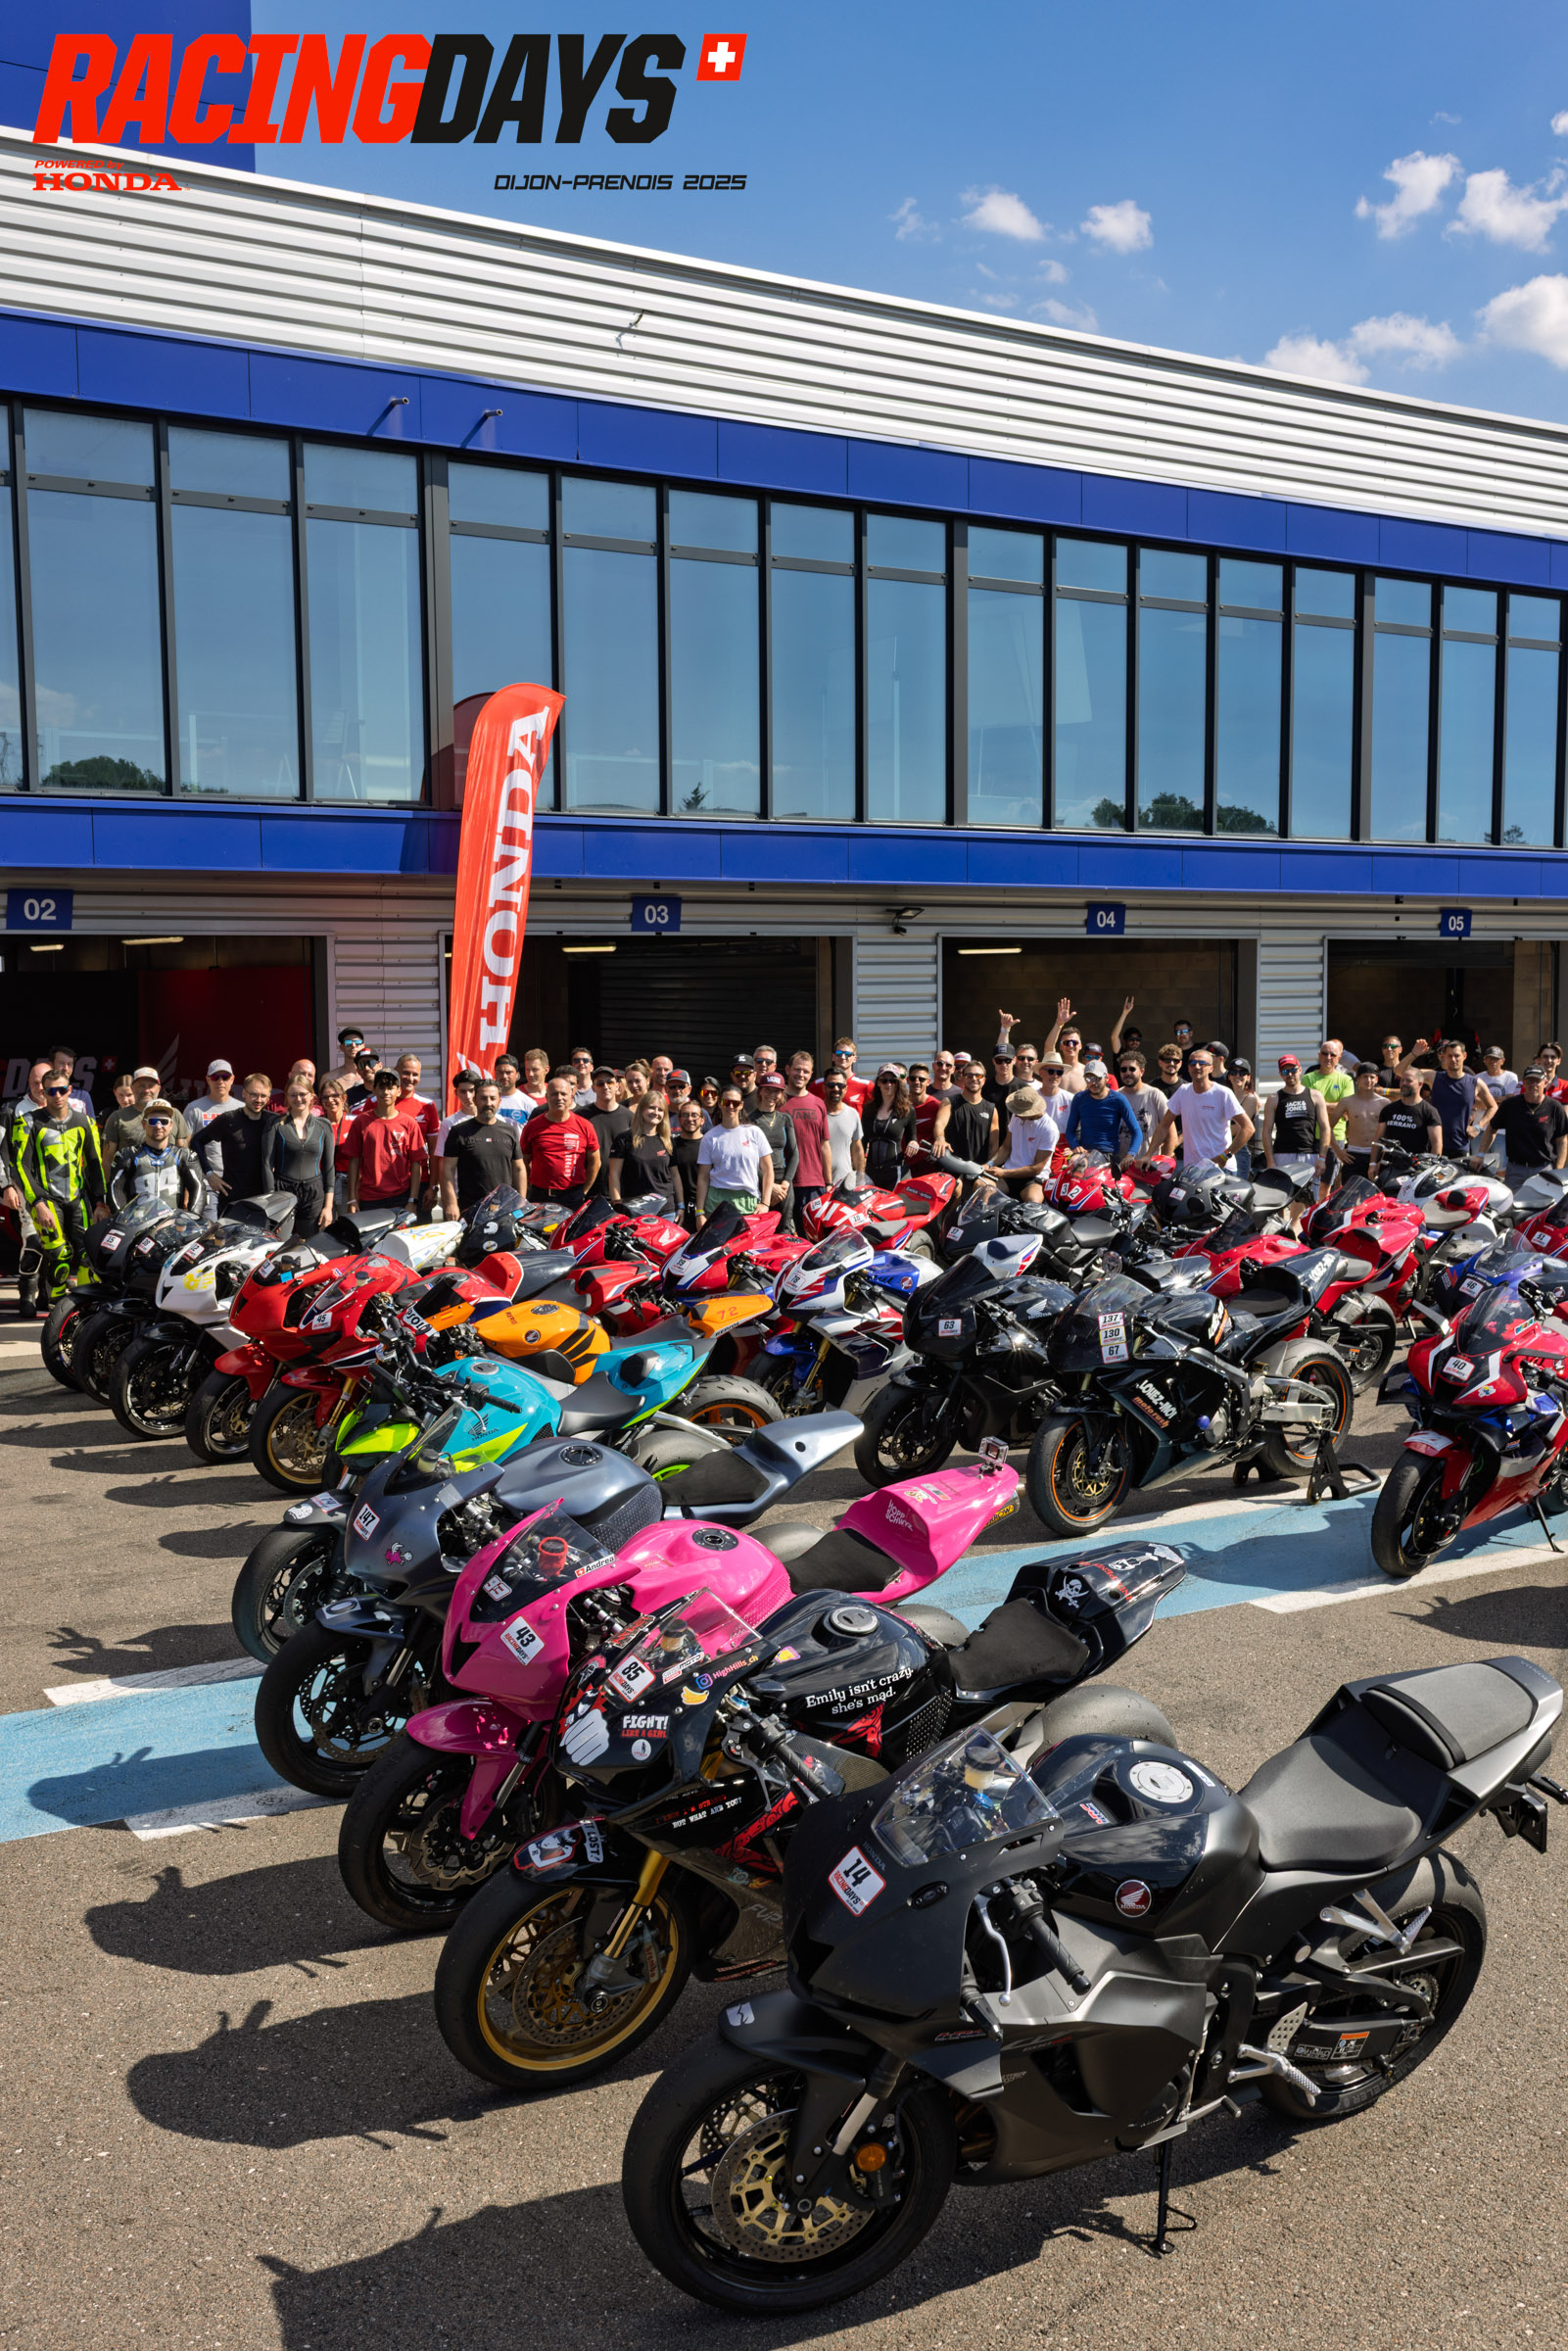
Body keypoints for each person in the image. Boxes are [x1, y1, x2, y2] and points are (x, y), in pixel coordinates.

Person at [17, 1074, 107, 1302]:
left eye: (61, 1090)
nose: (57, 1095)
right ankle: (56, 1306)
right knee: (59, 1257)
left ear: (69, 1090)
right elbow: (19, 1166)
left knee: (88, 1256)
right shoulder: (28, 1121)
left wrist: (99, 1201)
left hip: (78, 1199)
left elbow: (95, 1164)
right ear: (43, 1092)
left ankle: (85, 1307)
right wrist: (37, 1202)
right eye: (51, 1091)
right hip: (46, 1199)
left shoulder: (85, 1122)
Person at [1145, 1050, 1254, 1169]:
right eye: (1192, 1063)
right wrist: (1148, 1155)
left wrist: (1225, 1156)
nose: (1196, 1066)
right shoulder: (1183, 1091)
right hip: (1193, 1169)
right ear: (1188, 1068)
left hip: (1220, 1168)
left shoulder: (1223, 1093)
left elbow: (1248, 1128)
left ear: (1211, 1068)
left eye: (1202, 1063)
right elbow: (1164, 1125)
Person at [3, 1062, 51, 1317]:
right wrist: (6, 1185)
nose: (40, 1087)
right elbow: (0, 1150)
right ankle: (27, 1295)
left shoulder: (64, 1109)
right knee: (32, 1239)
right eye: (35, 1082)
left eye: (45, 1082)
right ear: (28, 1083)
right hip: (23, 1185)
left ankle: (47, 1293)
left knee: (55, 1241)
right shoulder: (12, 1109)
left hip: (58, 1187)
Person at [342, 1069, 426, 1214]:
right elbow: (354, 1162)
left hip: (401, 1197)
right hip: (369, 1198)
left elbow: (416, 1164)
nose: (386, 1092)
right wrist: (351, 1200)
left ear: (398, 1091)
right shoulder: (361, 1121)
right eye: (381, 1087)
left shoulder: (409, 1123)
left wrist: (412, 1200)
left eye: (390, 1087)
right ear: (374, 1090)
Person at [441, 1079, 527, 1218]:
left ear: (499, 1101)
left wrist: (521, 1202)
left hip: (505, 1208)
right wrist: (451, 1203)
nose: (488, 1103)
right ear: (475, 1100)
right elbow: (447, 1170)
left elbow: (519, 1168)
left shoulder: (510, 1130)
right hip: (470, 1209)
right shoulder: (458, 1131)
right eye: (483, 1098)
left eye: (492, 1098)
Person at [263, 1079, 335, 1232]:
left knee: (310, 1244)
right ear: (287, 1097)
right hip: (282, 1194)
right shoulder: (275, 1124)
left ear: (312, 1096)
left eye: (302, 1094)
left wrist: (328, 1207)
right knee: (280, 1243)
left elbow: (329, 1168)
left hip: (313, 1194)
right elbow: (267, 1165)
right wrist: (271, 1205)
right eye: (293, 1095)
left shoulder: (324, 1125)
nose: (298, 1099)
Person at [110, 1101, 208, 1214]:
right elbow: (115, 1188)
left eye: (164, 1121)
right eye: (152, 1121)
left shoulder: (185, 1155)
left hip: (172, 1221)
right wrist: (122, 1216)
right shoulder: (127, 1155)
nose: (158, 1126)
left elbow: (198, 1188)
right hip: (137, 1222)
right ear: (143, 1124)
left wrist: (193, 1216)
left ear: (171, 1125)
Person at [518, 1075, 600, 1209]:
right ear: (547, 1096)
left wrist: (584, 1191)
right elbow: (523, 1162)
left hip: (572, 1197)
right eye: (554, 1094)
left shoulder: (585, 1125)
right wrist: (529, 1186)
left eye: (563, 1094)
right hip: (540, 1196)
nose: (559, 1098)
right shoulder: (532, 1126)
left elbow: (595, 1162)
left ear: (571, 1096)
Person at [1261, 1055, 1334, 1200]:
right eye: (1285, 1072)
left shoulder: (1315, 1095)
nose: (1290, 1074)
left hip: (1309, 1154)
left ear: (1300, 1069)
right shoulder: (1274, 1098)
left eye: (1293, 1070)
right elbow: (1267, 1131)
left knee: (1308, 1199)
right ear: (1280, 1074)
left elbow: (1325, 1128)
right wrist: (1270, 1160)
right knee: (1279, 1198)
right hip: (1282, 1154)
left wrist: (1322, 1158)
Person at [1485, 1066, 1568, 1190]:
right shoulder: (1510, 1105)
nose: (1533, 1085)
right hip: (1515, 1170)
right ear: (1523, 1083)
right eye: (1529, 1081)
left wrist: (1558, 1169)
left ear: (1545, 1083)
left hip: (1544, 1170)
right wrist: (1480, 1154)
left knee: (1544, 1203)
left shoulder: (1555, 1107)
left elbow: (1562, 1140)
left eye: (1537, 1081)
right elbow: (1491, 1128)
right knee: (1511, 1202)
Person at [694, 1087, 774, 1217]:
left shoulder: (754, 1132)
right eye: (726, 1102)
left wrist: (765, 1203)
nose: (730, 1106)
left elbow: (768, 1169)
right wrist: (699, 1212)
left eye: (735, 1103)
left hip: (748, 1203)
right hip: (715, 1204)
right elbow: (703, 1177)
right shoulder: (709, 1137)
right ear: (720, 1104)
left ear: (741, 1105)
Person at [202, 1073, 279, 1203]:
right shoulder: (229, 1119)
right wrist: (209, 1173)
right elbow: (196, 1142)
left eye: (263, 1096)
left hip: (265, 1201)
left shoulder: (274, 1121)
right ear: (244, 1093)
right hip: (233, 1200)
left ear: (269, 1097)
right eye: (253, 1094)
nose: (258, 1100)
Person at [779, 1053, 832, 1226]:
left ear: (811, 1075)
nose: (801, 1074)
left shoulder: (818, 1103)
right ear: (788, 1070)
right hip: (783, 1183)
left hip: (814, 1182)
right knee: (783, 1234)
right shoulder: (777, 1101)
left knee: (812, 1235)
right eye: (797, 1069)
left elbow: (824, 1145)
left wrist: (828, 1182)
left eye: (806, 1071)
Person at [983, 1084, 1060, 1201]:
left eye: (1021, 1112)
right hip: (1008, 1174)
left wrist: (1004, 1173)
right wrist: (989, 1163)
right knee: (982, 1188)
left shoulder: (1049, 1129)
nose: (1017, 1114)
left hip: (1033, 1178)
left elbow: (1036, 1168)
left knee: (1033, 1202)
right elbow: (1006, 1148)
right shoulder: (1016, 1116)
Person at [1427, 1039, 1497, 1163]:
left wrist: (1478, 1126)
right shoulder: (1434, 1077)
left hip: (1460, 1146)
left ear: (1464, 1056)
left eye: (1457, 1055)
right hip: (1434, 1144)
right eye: (1450, 1056)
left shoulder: (1475, 1083)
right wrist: (1414, 1054)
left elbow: (1493, 1107)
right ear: (1444, 1057)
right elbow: (1401, 1071)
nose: (1453, 1059)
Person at [610, 1090, 680, 1213]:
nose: (656, 1112)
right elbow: (614, 1174)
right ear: (642, 1109)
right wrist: (617, 1204)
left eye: (660, 1109)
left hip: (666, 1210)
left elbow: (675, 1175)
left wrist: (681, 1205)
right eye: (651, 1108)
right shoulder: (624, 1139)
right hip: (634, 1210)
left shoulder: (667, 1141)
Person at [1370, 1065, 1444, 1180]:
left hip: (1414, 1170)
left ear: (1420, 1084)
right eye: (1402, 1080)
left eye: (1408, 1081)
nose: (1403, 1083)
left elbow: (1437, 1143)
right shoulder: (1389, 1109)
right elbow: (1378, 1139)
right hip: (1388, 1168)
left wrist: (1430, 1171)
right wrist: (1373, 1163)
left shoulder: (1429, 1111)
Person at [1062, 1060, 1142, 1165]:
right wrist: (1075, 1146)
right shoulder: (1079, 1098)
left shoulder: (1118, 1099)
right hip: (1085, 1154)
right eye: (1088, 1078)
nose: (1093, 1083)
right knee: (1074, 1161)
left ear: (1106, 1078)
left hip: (1110, 1156)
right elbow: (1070, 1130)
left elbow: (1136, 1131)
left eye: (1097, 1078)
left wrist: (1131, 1154)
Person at [103, 1066, 192, 1154]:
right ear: (132, 1088)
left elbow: (183, 1154)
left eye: (151, 1086)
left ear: (158, 1089)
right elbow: (108, 1158)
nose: (146, 1090)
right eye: (141, 1086)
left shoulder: (174, 1114)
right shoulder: (117, 1117)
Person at [937, 1058, 999, 1184]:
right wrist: (940, 1138)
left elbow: (994, 1145)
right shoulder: (949, 1102)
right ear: (963, 1078)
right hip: (953, 1167)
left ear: (984, 1080)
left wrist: (987, 1166)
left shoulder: (991, 1109)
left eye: (978, 1075)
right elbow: (939, 1124)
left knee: (985, 1187)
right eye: (969, 1075)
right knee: (955, 1188)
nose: (974, 1079)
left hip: (978, 1170)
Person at [751, 1073, 799, 1221]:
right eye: (768, 1090)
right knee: (760, 1226)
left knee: (785, 1227)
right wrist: (770, 1186)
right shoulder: (749, 1120)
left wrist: (785, 1184)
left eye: (776, 1091)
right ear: (760, 1091)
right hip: (758, 1179)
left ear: (782, 1094)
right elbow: (747, 1158)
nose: (772, 1095)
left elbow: (794, 1154)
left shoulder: (785, 1119)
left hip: (783, 1182)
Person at [1332, 1064, 1388, 1186]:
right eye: (1365, 1077)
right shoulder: (1347, 1101)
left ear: (1376, 1079)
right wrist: (1338, 1151)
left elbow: (1390, 1133)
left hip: (1376, 1156)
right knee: (1350, 1194)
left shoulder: (1384, 1103)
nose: (1368, 1080)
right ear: (1358, 1079)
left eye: (1372, 1077)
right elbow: (1327, 1127)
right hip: (1353, 1155)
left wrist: (1383, 1157)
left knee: (1375, 1195)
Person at [860, 1068, 917, 1188]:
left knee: (894, 1200)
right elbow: (863, 1140)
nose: (888, 1084)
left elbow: (912, 1136)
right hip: (871, 1172)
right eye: (884, 1080)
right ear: (878, 1083)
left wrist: (913, 1143)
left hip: (895, 1171)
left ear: (898, 1084)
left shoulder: (907, 1110)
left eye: (893, 1081)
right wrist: (858, 1167)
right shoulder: (868, 1109)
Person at [585, 1065, 632, 1198]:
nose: (605, 1086)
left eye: (609, 1082)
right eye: (600, 1084)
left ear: (617, 1086)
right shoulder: (581, 1116)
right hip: (588, 1191)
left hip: (622, 1192)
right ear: (593, 1088)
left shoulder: (630, 1117)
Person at [1117, 1049, 1168, 1160]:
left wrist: (1163, 1162)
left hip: (1148, 1165)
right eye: (1124, 1069)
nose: (1127, 1073)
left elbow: (1170, 1132)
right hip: (1120, 1164)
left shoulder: (1155, 1095)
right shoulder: (1115, 1097)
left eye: (1132, 1069)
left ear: (1142, 1071)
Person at [1304, 1039, 1355, 1150]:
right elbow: (1306, 1106)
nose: (1328, 1057)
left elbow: (1345, 1109)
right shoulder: (1307, 1078)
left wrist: (1318, 1104)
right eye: (1325, 1053)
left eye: (1333, 1055)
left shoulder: (1346, 1080)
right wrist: (1334, 1107)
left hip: (1336, 1137)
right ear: (1319, 1055)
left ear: (1339, 1058)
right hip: (1311, 1136)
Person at [820, 1070, 864, 1185]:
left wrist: (861, 1178)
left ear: (845, 1089)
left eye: (840, 1085)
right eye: (831, 1085)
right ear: (824, 1088)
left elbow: (857, 1149)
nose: (836, 1089)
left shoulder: (852, 1114)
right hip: (818, 1183)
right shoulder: (815, 1113)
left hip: (845, 1183)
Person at [671, 1100, 709, 1220]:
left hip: (706, 1205)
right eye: (685, 1115)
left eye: (694, 1115)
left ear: (702, 1120)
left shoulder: (710, 1144)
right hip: (678, 1207)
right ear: (679, 1119)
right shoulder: (671, 1145)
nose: (690, 1119)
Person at [811, 1037, 870, 1112]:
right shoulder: (817, 1085)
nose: (843, 1057)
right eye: (839, 1053)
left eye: (848, 1054)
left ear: (854, 1059)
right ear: (833, 1057)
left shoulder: (866, 1086)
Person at [183, 1060, 235, 1141]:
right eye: (215, 1077)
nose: (220, 1081)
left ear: (232, 1079)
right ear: (208, 1080)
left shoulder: (243, 1108)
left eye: (225, 1077)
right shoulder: (193, 1108)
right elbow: (184, 1144)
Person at [1227, 1058, 1259, 1178]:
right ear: (1229, 1076)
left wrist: (1213, 1130)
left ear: (1248, 1077)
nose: (1238, 1076)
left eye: (1242, 1073)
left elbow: (1239, 1128)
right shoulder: (1225, 1095)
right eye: (1234, 1072)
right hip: (1220, 1147)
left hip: (1238, 1150)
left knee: (1236, 1189)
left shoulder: (1250, 1098)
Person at [493, 1053, 538, 1126]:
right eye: (500, 1072)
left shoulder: (529, 1104)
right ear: (495, 1074)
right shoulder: (487, 1101)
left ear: (517, 1075)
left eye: (508, 1072)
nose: (504, 1076)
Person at [49, 1047, 93, 1119]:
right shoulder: (44, 1093)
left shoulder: (82, 1095)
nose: (66, 1068)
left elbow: (91, 1124)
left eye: (69, 1064)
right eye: (61, 1063)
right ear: (51, 1064)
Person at [324, 1027, 367, 1091]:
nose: (353, 1045)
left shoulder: (373, 1077)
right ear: (341, 1047)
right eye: (348, 1043)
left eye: (358, 1042)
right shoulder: (328, 1078)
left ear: (363, 1046)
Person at [345, 1045, 381, 1110]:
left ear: (380, 1065)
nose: (366, 1068)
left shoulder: (391, 1091)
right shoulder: (349, 1095)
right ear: (358, 1070)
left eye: (371, 1063)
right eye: (362, 1065)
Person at [567, 1047, 596, 1111]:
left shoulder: (599, 1088)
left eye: (585, 1060)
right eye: (577, 1061)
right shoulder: (566, 1091)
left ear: (591, 1067)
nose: (581, 1063)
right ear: (572, 1066)